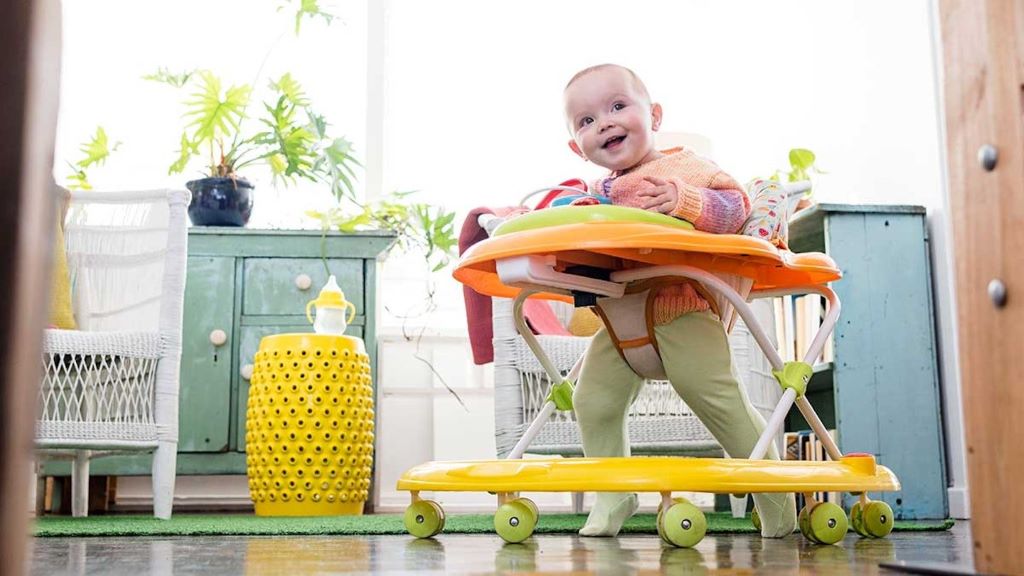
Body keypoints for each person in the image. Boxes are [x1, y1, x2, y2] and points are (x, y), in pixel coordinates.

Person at [562, 63, 797, 538]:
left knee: (718, 400)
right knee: (593, 401)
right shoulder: (592, 196)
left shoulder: (684, 167)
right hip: (619, 317)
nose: (604, 123)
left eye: (617, 106)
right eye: (586, 121)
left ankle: (776, 501)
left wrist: (686, 201)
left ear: (655, 114)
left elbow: (736, 210)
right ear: (577, 148)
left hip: (680, 307)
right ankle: (614, 496)